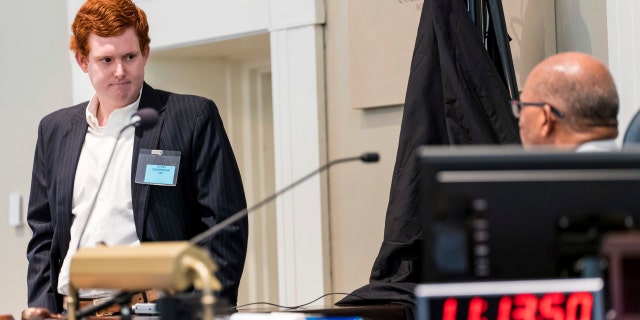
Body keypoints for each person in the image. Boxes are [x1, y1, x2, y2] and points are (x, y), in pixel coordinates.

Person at [26, 0, 248, 313]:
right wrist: (40, 307)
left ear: (145, 52)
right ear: (82, 60)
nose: (120, 71)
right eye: (106, 60)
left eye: (129, 56)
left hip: (156, 311)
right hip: (73, 310)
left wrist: (207, 311)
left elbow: (226, 226)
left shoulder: (191, 117)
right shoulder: (54, 130)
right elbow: (43, 233)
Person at [513, 51, 619, 151]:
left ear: (546, 118)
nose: (520, 121)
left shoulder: (566, 170)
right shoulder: (630, 167)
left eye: (521, 107)